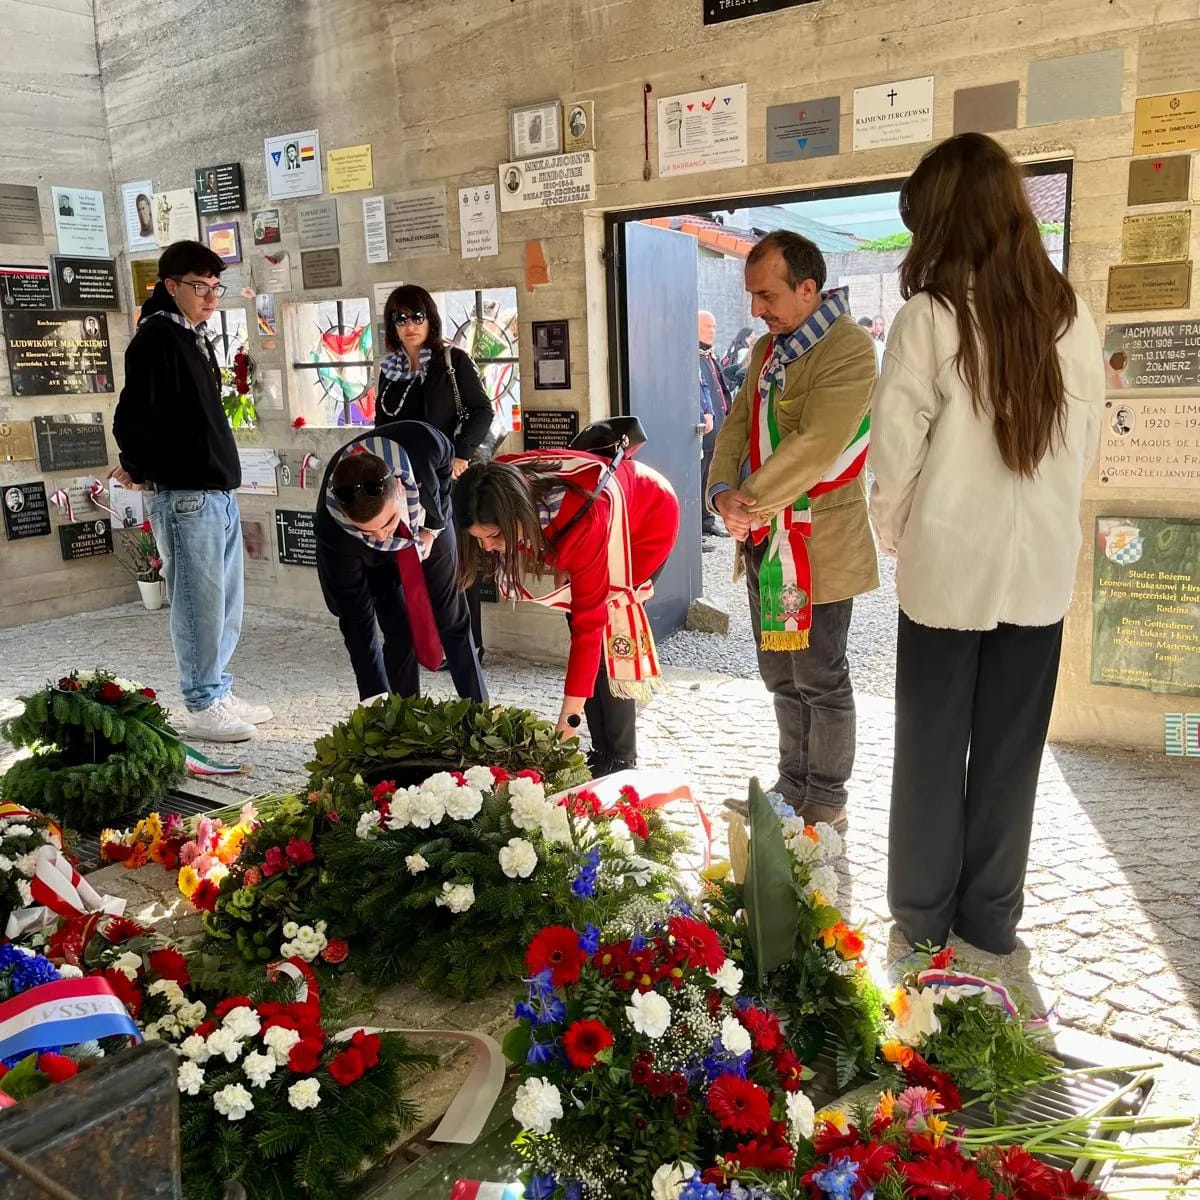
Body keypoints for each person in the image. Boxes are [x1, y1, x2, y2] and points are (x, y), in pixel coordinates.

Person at [869, 132, 1105, 955]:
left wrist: (898, 538)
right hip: (1038, 571)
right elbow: (1085, 452)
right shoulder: (1069, 315)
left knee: (931, 747)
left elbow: (893, 457)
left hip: (945, 570)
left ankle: (924, 915)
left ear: (942, 219)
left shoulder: (928, 317)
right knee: (1012, 753)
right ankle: (991, 918)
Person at [709, 231, 878, 830]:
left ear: (809, 288)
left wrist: (746, 502)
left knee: (821, 676)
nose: (757, 309)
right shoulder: (766, 349)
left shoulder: (850, 349)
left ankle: (826, 799)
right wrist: (722, 493)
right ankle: (792, 787)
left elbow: (817, 445)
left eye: (767, 294)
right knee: (780, 673)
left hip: (817, 543)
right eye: (753, 295)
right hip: (761, 537)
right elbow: (734, 426)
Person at [111, 240, 271, 742]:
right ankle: (202, 703)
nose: (209, 297)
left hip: (214, 493)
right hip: (185, 496)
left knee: (226, 603)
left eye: (215, 287)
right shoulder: (157, 338)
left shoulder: (191, 335)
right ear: (170, 285)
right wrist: (136, 466)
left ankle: (217, 688)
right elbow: (133, 417)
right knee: (198, 603)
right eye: (199, 287)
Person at [455, 446, 679, 775]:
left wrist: (565, 727)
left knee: (607, 634)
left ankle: (619, 757)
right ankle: (600, 749)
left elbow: (589, 628)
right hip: (603, 511)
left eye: (494, 536)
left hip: (646, 521)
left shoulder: (581, 521)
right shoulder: (491, 484)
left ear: (514, 514)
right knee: (578, 624)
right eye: (478, 538)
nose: (486, 547)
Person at [315, 423, 486, 705]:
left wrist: (433, 527)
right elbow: (356, 622)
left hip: (425, 526)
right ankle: (401, 717)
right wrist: (373, 705)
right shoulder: (335, 533)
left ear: (398, 488)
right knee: (398, 631)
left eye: (387, 523)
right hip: (367, 558)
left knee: (453, 617)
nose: (382, 536)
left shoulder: (425, 444)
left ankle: (478, 707)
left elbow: (445, 470)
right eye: (368, 531)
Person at [374, 284, 495, 659]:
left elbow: (482, 411)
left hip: (448, 476)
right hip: (406, 481)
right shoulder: (389, 371)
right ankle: (429, 643)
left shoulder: (451, 360)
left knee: (456, 562)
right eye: (400, 318)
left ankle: (466, 645)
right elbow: (382, 424)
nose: (410, 325)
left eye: (417, 316)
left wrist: (460, 455)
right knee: (415, 559)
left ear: (430, 319)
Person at [698, 311, 732, 539]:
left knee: (709, 476)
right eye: (707, 327)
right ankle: (698, 523)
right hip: (703, 431)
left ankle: (707, 520)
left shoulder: (709, 356)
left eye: (714, 327)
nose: (712, 331)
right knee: (699, 477)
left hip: (717, 428)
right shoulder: (693, 356)